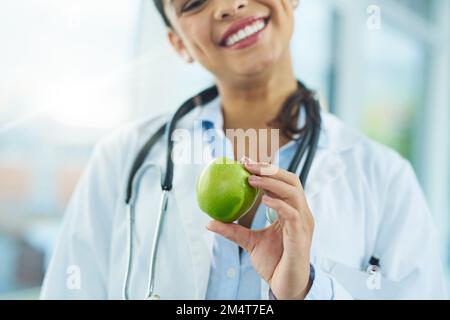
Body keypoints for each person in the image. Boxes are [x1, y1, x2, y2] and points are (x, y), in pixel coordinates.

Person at [41, 0, 447, 299]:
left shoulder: (385, 178)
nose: (228, 5)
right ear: (178, 43)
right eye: (194, 3)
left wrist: (309, 290)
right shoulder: (122, 161)